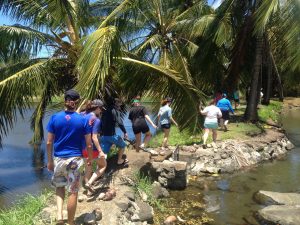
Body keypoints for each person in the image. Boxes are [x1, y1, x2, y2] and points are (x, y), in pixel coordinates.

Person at [46, 89, 93, 225]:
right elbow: (89, 145)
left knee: (59, 187)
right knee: (73, 191)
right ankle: (71, 222)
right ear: (77, 102)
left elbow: (49, 142)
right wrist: (89, 159)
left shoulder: (55, 118)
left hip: (59, 160)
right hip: (75, 160)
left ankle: (60, 217)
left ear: (65, 101)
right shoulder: (83, 120)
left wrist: (49, 161)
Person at [81, 99, 106, 196]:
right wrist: (101, 151)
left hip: (83, 148)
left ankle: (88, 191)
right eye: (101, 109)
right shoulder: (96, 120)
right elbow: (94, 137)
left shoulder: (83, 115)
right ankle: (89, 183)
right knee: (103, 165)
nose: (101, 111)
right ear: (97, 108)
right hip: (93, 149)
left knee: (88, 169)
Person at [100, 98, 129, 165]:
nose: (121, 105)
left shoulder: (105, 111)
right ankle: (119, 160)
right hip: (111, 135)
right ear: (116, 103)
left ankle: (101, 167)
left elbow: (101, 123)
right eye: (120, 103)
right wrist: (125, 132)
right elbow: (120, 122)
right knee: (123, 145)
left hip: (104, 136)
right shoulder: (115, 111)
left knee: (104, 153)